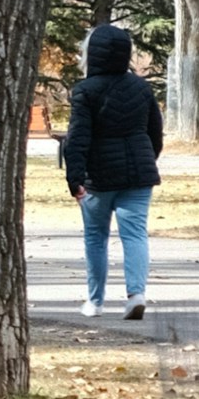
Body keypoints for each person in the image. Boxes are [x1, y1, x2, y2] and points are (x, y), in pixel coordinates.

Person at [63, 19, 162, 318]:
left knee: (96, 237)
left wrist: (75, 179)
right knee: (135, 234)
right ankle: (136, 294)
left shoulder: (85, 91)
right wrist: (147, 160)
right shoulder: (142, 88)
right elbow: (155, 133)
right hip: (138, 175)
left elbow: (78, 138)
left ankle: (95, 301)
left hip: (98, 177)